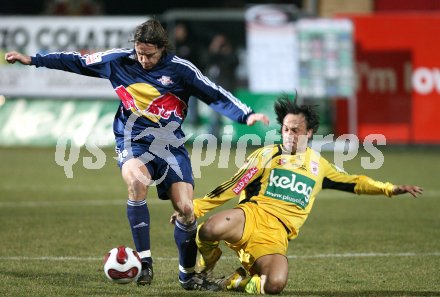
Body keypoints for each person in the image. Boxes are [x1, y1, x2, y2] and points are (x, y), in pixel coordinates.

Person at [4, 19, 269, 291]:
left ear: (163, 49)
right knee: (136, 183)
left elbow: (213, 93)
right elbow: (77, 61)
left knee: (187, 211)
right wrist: (33, 59)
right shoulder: (118, 61)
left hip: (170, 145)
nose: (143, 59)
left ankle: (188, 276)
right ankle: (144, 262)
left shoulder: (181, 70)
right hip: (132, 140)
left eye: (150, 54)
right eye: (140, 53)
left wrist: (245, 114)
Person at [190, 95, 423, 294]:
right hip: (249, 217)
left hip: (275, 236)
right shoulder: (266, 155)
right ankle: (205, 268)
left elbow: (355, 182)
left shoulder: (319, 166)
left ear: (309, 132)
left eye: (296, 130)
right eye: (285, 129)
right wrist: (196, 208)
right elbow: (234, 185)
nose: (289, 134)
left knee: (275, 284)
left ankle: (237, 281)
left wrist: (389, 189)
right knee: (209, 229)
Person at [205, 33, 239, 137]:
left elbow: (233, 64)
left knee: (217, 112)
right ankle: (213, 135)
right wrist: (214, 48)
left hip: (225, 88)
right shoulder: (214, 55)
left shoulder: (230, 54)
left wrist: (226, 52)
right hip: (214, 88)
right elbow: (207, 61)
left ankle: (213, 135)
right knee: (214, 113)